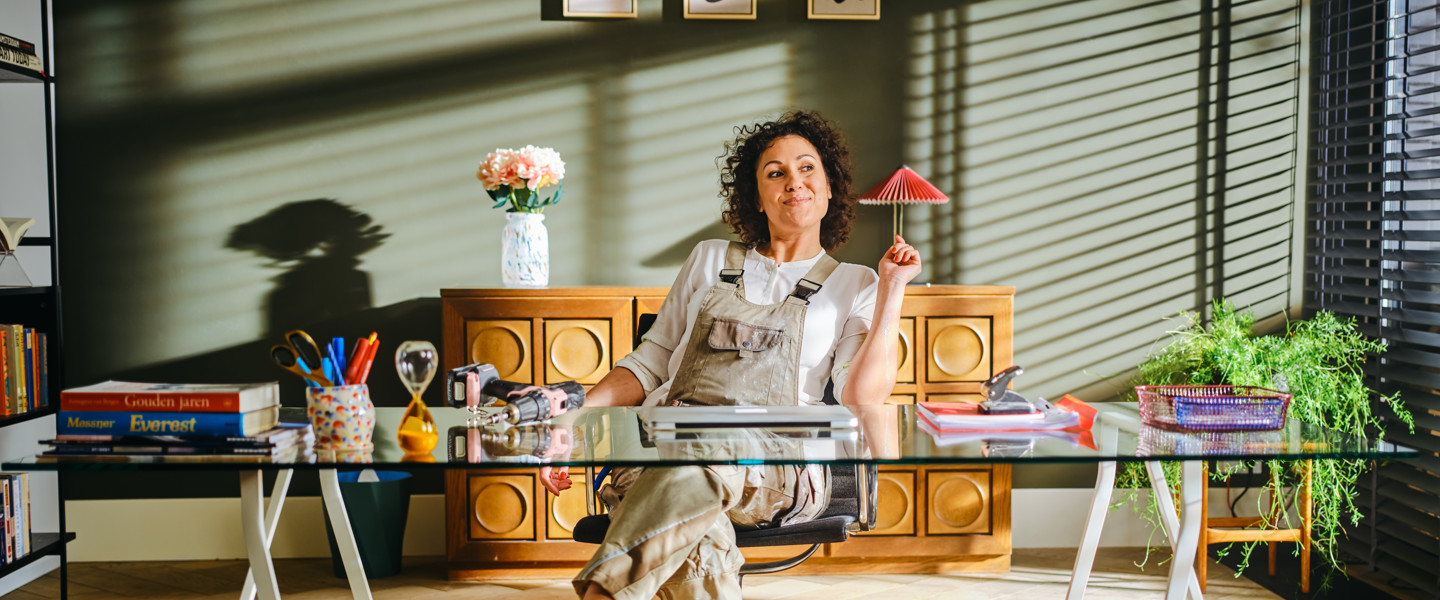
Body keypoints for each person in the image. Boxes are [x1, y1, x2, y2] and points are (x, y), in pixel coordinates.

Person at [544, 110, 922, 600]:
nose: (794, 183)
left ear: (830, 189)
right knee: (703, 539)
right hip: (659, 455)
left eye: (808, 169)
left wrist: (893, 289)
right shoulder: (708, 259)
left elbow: (862, 395)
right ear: (757, 196)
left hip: (779, 465)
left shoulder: (856, 283)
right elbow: (650, 361)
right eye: (776, 173)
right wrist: (572, 417)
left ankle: (602, 594)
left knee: (709, 455)